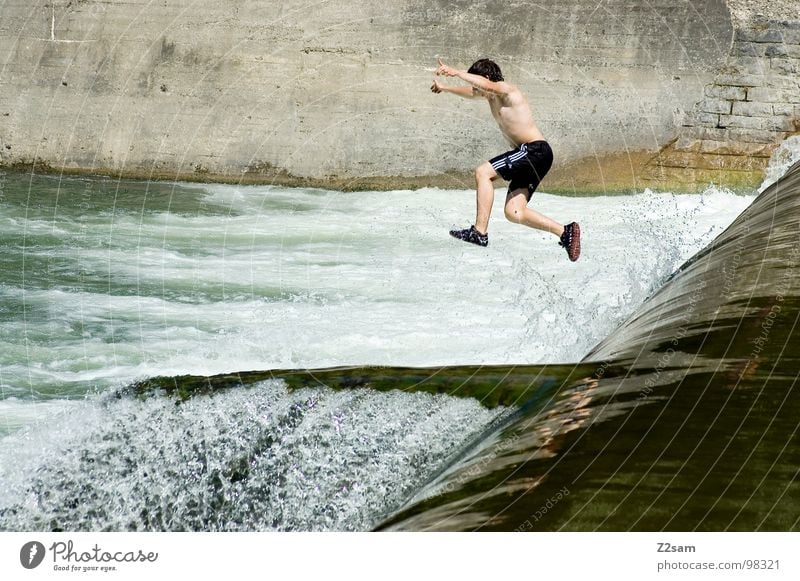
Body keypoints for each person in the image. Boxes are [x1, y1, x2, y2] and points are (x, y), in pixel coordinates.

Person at [431, 58, 580, 261]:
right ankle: (565, 231)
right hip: (534, 155)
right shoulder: (490, 96)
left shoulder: (506, 90)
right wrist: (445, 88)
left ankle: (479, 232)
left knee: (483, 172)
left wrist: (456, 72)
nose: (475, 88)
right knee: (514, 212)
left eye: (476, 82)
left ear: (485, 78)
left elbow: (488, 86)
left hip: (535, 150)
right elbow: (472, 93)